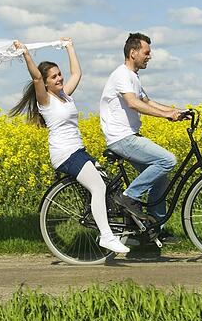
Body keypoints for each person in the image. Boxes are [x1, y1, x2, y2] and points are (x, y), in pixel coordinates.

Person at [9, 38, 129, 254]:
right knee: (98, 187)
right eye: (54, 76)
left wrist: (69, 46)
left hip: (78, 151)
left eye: (59, 74)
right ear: (45, 84)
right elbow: (36, 76)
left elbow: (77, 74)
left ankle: (118, 231)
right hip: (65, 154)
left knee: (108, 185)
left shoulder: (64, 95)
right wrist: (25, 53)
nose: (59, 78)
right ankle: (107, 236)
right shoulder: (45, 101)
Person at [99, 32, 182, 243]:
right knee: (167, 160)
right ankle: (129, 197)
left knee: (160, 179)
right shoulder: (121, 75)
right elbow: (134, 103)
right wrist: (166, 115)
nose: (149, 56)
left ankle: (153, 229)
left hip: (129, 136)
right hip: (122, 138)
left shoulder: (134, 76)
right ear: (133, 52)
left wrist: (177, 112)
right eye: (146, 52)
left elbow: (148, 101)